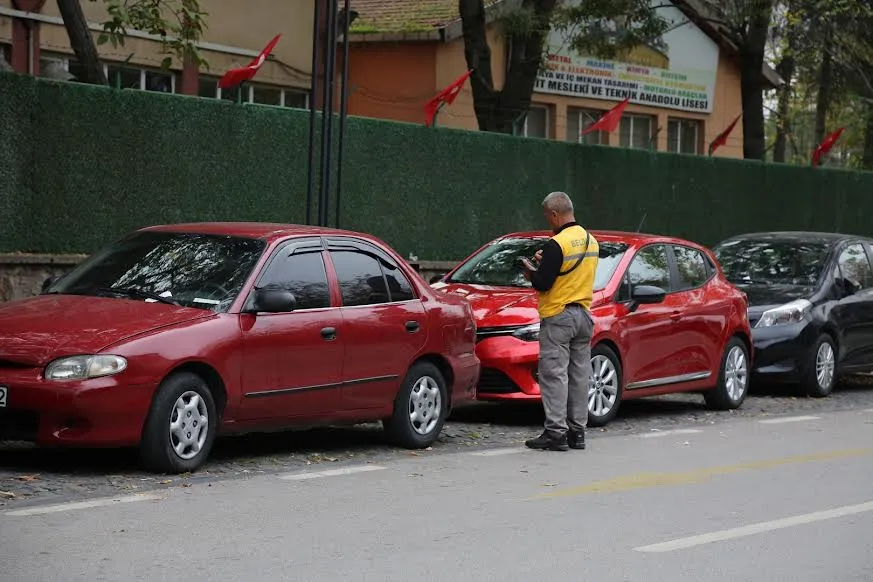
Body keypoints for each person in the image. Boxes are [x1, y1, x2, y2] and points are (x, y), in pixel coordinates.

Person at [520, 191, 599, 451]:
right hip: (584, 315)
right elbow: (569, 272)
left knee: (554, 375)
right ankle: (578, 433)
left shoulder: (557, 243)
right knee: (579, 375)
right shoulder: (591, 241)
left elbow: (544, 283)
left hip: (559, 316)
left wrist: (531, 272)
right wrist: (548, 265)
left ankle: (555, 433)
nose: (548, 221)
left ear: (555, 214)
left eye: (547, 216)